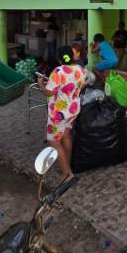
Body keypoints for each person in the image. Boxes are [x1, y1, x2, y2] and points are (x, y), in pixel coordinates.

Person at [37, 45, 86, 183]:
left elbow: (49, 92)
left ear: (59, 59)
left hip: (58, 112)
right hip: (73, 109)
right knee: (66, 135)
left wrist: (41, 84)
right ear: (72, 55)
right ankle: (66, 165)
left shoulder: (58, 71)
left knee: (54, 141)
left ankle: (67, 174)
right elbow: (79, 86)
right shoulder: (80, 69)